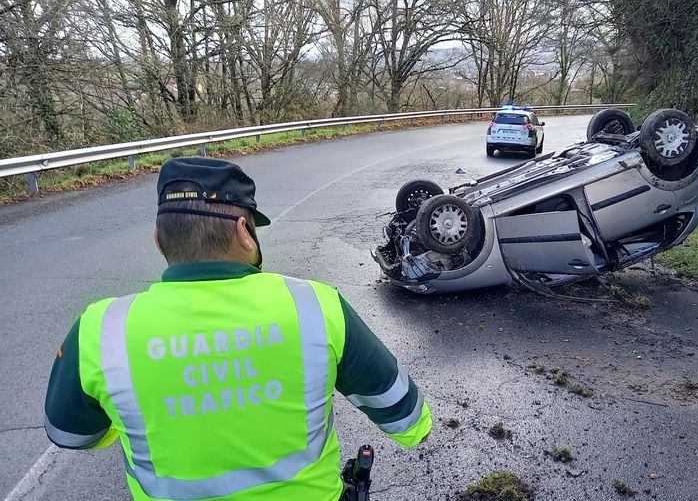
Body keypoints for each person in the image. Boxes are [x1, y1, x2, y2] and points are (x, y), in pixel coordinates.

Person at [43, 157, 431, 500]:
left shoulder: (100, 329)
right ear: (245, 232)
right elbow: (407, 417)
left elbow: (72, 435)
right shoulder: (314, 305)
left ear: (159, 240)